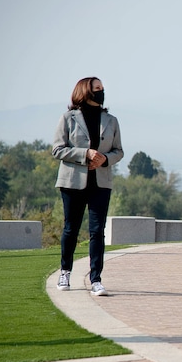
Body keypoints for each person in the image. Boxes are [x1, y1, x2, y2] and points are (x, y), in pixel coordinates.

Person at [52, 77, 124, 296]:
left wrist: (105, 159)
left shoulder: (111, 120)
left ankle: (96, 280)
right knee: (71, 229)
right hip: (72, 183)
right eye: (97, 88)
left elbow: (119, 151)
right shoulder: (68, 118)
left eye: (102, 88)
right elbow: (58, 150)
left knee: (97, 232)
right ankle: (65, 272)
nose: (101, 92)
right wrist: (86, 154)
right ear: (85, 91)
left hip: (101, 183)